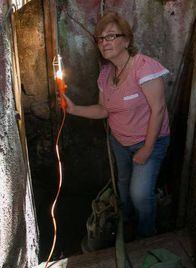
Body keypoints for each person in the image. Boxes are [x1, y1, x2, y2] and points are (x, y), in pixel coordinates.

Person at [64, 11, 170, 238]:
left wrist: (147, 149)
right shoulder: (106, 74)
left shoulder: (145, 68)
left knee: (140, 194)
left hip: (148, 141)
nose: (104, 43)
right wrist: (74, 109)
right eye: (101, 39)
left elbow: (158, 109)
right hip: (119, 141)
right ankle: (127, 222)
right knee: (123, 182)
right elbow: (103, 109)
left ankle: (146, 234)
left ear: (127, 40)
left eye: (111, 36)